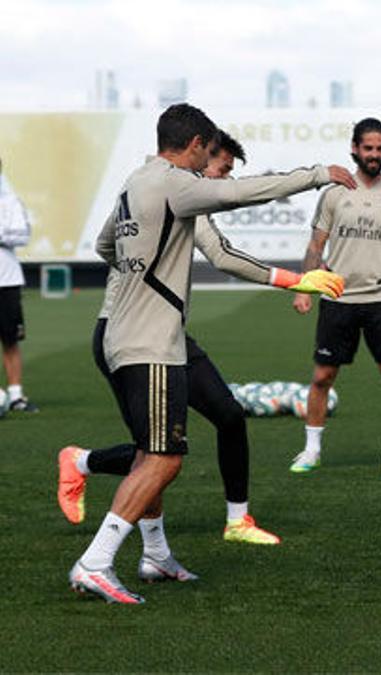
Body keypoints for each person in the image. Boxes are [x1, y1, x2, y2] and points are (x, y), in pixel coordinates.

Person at [68, 103, 354, 604]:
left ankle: (154, 554)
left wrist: (138, 279)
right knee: (162, 459)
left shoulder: (135, 184)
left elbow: (105, 246)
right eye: (207, 156)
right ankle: (95, 561)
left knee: (152, 453)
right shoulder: (176, 183)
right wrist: (315, 175)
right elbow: (240, 193)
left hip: (132, 335)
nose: (207, 168)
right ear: (197, 144)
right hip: (150, 342)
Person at [58, 131, 286, 553]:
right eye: (223, 170)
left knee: (228, 416)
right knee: (156, 456)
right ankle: (130, 536)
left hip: (166, 335)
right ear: (201, 155)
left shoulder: (178, 195)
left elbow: (109, 245)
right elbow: (223, 257)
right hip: (126, 333)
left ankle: (236, 520)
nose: (223, 179)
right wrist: (293, 279)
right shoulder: (170, 191)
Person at [289, 117, 381, 474]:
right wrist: (305, 288)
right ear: (354, 148)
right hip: (337, 299)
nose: (375, 154)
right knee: (322, 377)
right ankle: (311, 450)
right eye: (368, 148)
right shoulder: (334, 194)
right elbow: (315, 245)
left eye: (380, 148)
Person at [0, 156, 37, 412]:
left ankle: (15, 395)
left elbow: (22, 233)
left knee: (10, 338)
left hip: (6, 279)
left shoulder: (9, 200)